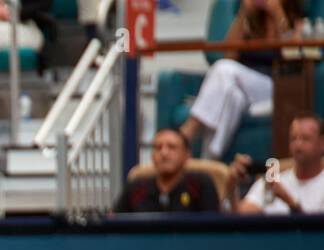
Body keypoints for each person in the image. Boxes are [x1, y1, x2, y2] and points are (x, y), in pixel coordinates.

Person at [178, 0, 304, 159]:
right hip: (243, 88)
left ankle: (185, 135)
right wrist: (243, 13)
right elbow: (228, 54)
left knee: (223, 69)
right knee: (233, 97)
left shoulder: (296, 22)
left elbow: (292, 55)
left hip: (275, 87)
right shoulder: (251, 22)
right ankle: (209, 160)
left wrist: (277, 13)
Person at [114, 127, 222, 213]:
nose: (164, 153)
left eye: (172, 147)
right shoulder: (136, 187)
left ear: (187, 155)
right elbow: (114, 223)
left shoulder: (200, 185)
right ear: (152, 155)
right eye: (158, 147)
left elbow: (214, 228)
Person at [236, 113, 324, 213]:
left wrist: (289, 202)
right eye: (293, 138)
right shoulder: (274, 182)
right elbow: (240, 217)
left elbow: (314, 228)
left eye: (305, 138)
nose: (298, 145)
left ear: (322, 143)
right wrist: (231, 187)